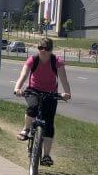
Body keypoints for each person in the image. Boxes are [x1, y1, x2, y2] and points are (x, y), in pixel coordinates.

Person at [13, 38, 72, 166]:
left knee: (49, 123)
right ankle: (26, 129)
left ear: (51, 50)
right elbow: (23, 76)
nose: (43, 51)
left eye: (46, 49)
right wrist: (17, 88)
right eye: (41, 48)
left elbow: (63, 79)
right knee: (33, 107)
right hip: (33, 90)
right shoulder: (33, 60)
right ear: (37, 49)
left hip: (50, 93)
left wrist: (66, 93)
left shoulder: (57, 61)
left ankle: (46, 155)